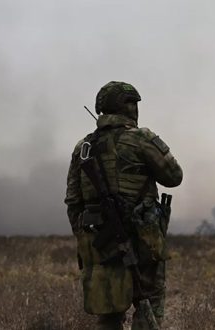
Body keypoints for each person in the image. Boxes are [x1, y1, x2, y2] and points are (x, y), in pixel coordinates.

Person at [64, 81, 183, 329]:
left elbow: (73, 201)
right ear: (124, 107)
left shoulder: (83, 148)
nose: (136, 109)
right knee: (149, 300)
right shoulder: (141, 140)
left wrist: (85, 235)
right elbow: (174, 176)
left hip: (100, 239)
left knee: (109, 308)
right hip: (143, 239)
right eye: (132, 103)